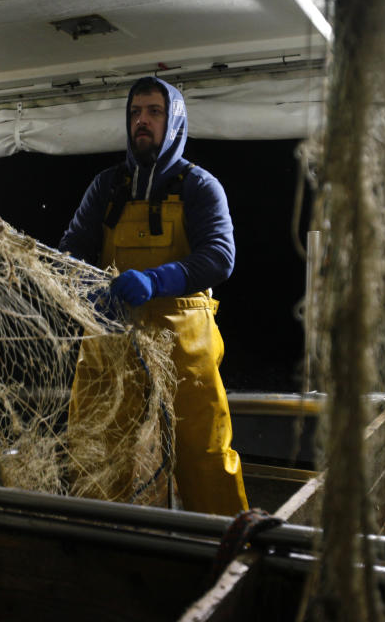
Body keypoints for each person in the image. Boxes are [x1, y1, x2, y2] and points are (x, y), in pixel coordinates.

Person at [59, 76, 248, 516]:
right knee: (96, 452)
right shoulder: (106, 187)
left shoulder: (199, 186)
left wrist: (155, 280)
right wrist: (92, 291)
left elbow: (219, 257)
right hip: (111, 338)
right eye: (135, 112)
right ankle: (93, 550)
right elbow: (70, 251)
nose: (142, 120)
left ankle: (230, 551)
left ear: (174, 121)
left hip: (183, 344)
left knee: (206, 455)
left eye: (154, 112)